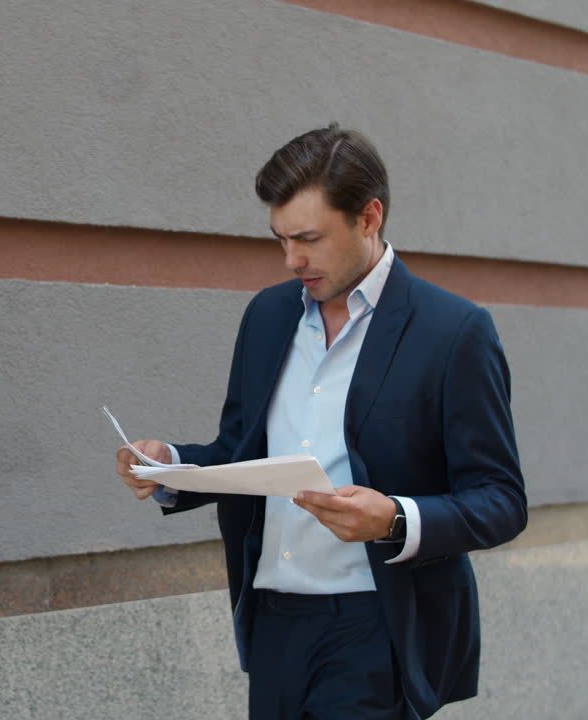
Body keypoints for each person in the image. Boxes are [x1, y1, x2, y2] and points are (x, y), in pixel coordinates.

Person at [116, 125, 527, 719]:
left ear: (369, 217)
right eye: (281, 239)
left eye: (308, 238)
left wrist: (394, 518)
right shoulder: (267, 315)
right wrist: (170, 466)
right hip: (274, 623)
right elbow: (241, 450)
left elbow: (501, 500)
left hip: (376, 627)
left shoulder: (454, 331)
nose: (292, 260)